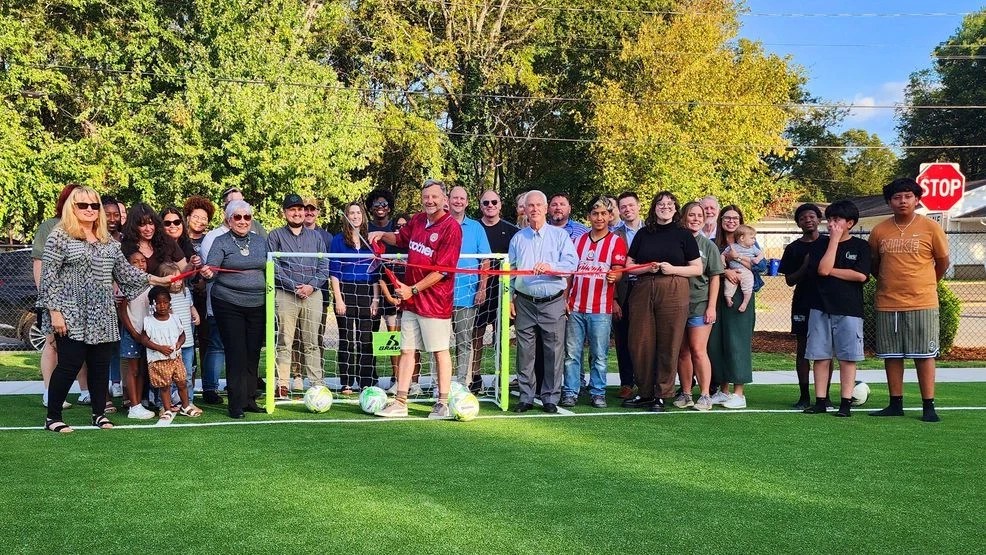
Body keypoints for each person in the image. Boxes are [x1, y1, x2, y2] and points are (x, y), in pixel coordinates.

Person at [38, 186, 172, 432]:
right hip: (70, 312)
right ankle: (53, 417)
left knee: (100, 366)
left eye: (94, 205)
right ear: (72, 208)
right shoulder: (60, 236)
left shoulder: (106, 240)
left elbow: (125, 272)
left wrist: (157, 280)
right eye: (83, 205)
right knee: (69, 364)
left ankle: (98, 414)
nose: (90, 210)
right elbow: (49, 278)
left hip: (102, 312)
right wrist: (55, 312)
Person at [370, 178, 462, 419]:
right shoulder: (418, 220)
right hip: (412, 302)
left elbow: (443, 271)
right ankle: (400, 401)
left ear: (444, 199)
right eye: (426, 197)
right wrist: (381, 234)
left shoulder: (451, 227)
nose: (429, 201)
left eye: (434, 197)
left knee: (440, 351)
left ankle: (442, 404)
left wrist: (413, 289)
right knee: (407, 349)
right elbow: (400, 239)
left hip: (435, 302)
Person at [868, 177, 949, 422]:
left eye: (907, 196)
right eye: (896, 197)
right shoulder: (879, 230)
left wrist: (927, 283)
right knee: (892, 355)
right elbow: (874, 265)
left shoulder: (930, 227)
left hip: (922, 302)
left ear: (917, 199)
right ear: (889, 202)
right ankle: (895, 403)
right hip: (887, 302)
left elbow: (943, 262)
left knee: (924, 355)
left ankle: (928, 405)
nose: (902, 201)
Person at [622, 192, 702, 412]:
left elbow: (697, 268)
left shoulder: (684, 235)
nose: (665, 207)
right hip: (643, 287)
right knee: (639, 341)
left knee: (669, 341)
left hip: (674, 287)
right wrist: (646, 267)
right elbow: (629, 265)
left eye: (669, 204)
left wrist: (672, 269)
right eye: (660, 203)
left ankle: (661, 394)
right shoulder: (643, 234)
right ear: (654, 208)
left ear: (675, 209)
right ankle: (645, 392)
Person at [507, 190, 579, 414]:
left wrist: (551, 267)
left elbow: (572, 265)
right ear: (525, 210)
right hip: (525, 302)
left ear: (546, 209)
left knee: (553, 351)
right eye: (531, 205)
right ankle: (526, 396)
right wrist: (510, 298)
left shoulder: (560, 237)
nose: (535, 209)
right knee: (525, 352)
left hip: (552, 302)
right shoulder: (518, 238)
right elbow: (510, 272)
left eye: (539, 205)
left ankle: (550, 396)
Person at [802, 200, 870, 417]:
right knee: (820, 356)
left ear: (850, 223)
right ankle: (820, 400)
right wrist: (833, 242)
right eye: (829, 219)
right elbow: (822, 270)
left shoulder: (861, 246)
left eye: (837, 220)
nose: (832, 224)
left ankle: (845, 403)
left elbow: (860, 275)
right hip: (820, 307)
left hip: (849, 309)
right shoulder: (820, 245)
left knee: (847, 357)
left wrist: (832, 270)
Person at [202, 200, 268, 419]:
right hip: (228, 303)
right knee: (236, 352)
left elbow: (270, 268)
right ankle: (236, 403)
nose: (242, 221)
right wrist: (208, 273)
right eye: (237, 217)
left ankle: (249, 399)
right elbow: (212, 267)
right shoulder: (221, 242)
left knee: (253, 352)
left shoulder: (260, 241)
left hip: (258, 303)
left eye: (246, 217)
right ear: (229, 220)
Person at [562, 197, 626, 409]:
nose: (599, 218)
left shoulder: (616, 242)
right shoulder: (578, 241)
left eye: (603, 214)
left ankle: (597, 391)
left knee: (599, 355)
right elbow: (571, 273)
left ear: (609, 216)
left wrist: (614, 277)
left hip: (601, 308)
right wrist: (565, 298)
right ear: (589, 216)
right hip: (576, 306)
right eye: (595, 214)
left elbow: (618, 271)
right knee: (572, 353)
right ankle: (570, 391)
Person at [268, 193, 331, 398]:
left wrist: (311, 287)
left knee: (312, 341)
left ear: (305, 212)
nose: (297, 213)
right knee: (285, 341)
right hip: (286, 294)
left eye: (300, 209)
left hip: (313, 294)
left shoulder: (316, 237)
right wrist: (295, 286)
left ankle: (316, 384)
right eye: (292, 209)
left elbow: (324, 266)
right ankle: (283, 384)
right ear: (285, 212)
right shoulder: (275, 235)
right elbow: (273, 267)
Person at [32, 183, 85, 409]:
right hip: (55, 299)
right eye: (76, 200)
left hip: (83, 299)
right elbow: (39, 264)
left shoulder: (88, 228)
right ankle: (50, 392)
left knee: (82, 344)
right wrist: (46, 298)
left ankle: (85, 391)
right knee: (52, 344)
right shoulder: (50, 226)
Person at [708, 205, 766, 409]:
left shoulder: (750, 241)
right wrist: (725, 272)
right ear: (720, 220)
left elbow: (761, 267)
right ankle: (723, 391)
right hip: (718, 296)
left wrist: (738, 258)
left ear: (740, 220)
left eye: (735, 218)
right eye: (727, 217)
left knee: (737, 342)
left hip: (742, 295)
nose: (731, 221)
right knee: (717, 342)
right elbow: (707, 268)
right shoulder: (714, 242)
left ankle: (739, 393)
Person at [674, 201, 724, 411]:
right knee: (682, 351)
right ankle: (686, 394)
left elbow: (715, 278)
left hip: (700, 303)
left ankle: (705, 395)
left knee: (698, 350)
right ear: (684, 217)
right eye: (691, 215)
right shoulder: (675, 242)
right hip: (677, 303)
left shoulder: (708, 246)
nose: (695, 219)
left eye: (699, 216)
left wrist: (711, 306)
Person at [779, 203, 828, 409]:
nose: (808, 220)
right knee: (803, 349)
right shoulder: (793, 248)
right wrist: (805, 266)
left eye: (812, 216)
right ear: (798, 223)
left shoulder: (829, 243)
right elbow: (789, 280)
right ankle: (804, 395)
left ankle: (823, 396)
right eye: (803, 218)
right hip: (802, 302)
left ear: (819, 219)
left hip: (826, 301)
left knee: (825, 350)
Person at [330, 201, 381, 394]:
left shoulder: (370, 240)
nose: (355, 216)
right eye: (351, 213)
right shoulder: (338, 240)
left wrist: (375, 299)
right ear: (346, 216)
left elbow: (375, 273)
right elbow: (334, 271)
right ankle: (347, 381)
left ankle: (365, 381)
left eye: (358, 212)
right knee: (347, 338)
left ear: (363, 216)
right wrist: (339, 298)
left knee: (365, 339)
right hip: (345, 290)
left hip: (366, 291)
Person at [471, 190, 518, 390]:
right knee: (476, 336)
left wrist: (513, 295)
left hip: (504, 292)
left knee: (502, 337)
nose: (490, 205)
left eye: (494, 202)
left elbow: (516, 263)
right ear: (480, 206)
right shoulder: (473, 228)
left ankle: (501, 377)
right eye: (485, 202)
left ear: (500, 205)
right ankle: (474, 378)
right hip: (477, 290)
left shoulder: (512, 230)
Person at [448, 186, 491, 390]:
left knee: (464, 342)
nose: (458, 201)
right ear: (448, 200)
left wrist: (482, 288)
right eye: (454, 197)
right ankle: (439, 384)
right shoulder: (439, 225)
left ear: (467, 202)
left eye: (462, 198)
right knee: (436, 344)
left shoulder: (476, 228)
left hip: (467, 294)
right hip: (439, 295)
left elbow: (485, 260)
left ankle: (461, 385)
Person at [141, 286, 203, 424]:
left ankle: (185, 406)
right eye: (158, 302)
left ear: (170, 303)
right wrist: (159, 348)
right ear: (152, 304)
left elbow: (182, 335)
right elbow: (144, 339)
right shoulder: (149, 321)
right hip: (159, 360)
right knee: (165, 386)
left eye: (165, 302)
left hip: (176, 358)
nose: (162, 306)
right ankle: (167, 408)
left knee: (182, 382)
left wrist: (179, 344)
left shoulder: (175, 318)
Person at [183, 195, 216, 399]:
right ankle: (186, 386)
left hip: (204, 296)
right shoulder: (179, 238)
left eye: (204, 218)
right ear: (188, 217)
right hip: (181, 296)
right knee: (185, 341)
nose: (200, 221)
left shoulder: (210, 240)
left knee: (206, 340)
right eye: (196, 216)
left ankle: (208, 387)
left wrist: (204, 282)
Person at [117, 251, 156, 420]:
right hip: (132, 333)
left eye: (143, 261)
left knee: (141, 370)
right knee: (132, 370)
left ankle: (139, 402)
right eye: (135, 262)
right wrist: (133, 332)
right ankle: (133, 404)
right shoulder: (127, 285)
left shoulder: (151, 284)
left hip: (147, 334)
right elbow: (122, 310)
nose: (141, 264)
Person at [613, 191, 644, 399]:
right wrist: (614, 298)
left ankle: (646, 382)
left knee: (645, 338)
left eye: (631, 205)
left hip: (646, 289)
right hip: (623, 290)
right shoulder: (614, 235)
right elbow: (611, 268)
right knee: (623, 338)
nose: (627, 209)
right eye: (623, 207)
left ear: (639, 206)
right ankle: (626, 382)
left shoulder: (652, 230)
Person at [302, 196, 334, 365]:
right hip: (296, 291)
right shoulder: (294, 233)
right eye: (305, 209)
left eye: (312, 209)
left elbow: (328, 268)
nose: (308, 212)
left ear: (317, 212)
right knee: (296, 338)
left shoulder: (327, 237)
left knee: (316, 337)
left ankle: (317, 374)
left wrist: (313, 286)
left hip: (319, 294)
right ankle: (297, 375)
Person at [121, 203, 188, 276]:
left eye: (150, 223)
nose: (148, 229)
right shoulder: (125, 247)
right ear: (134, 226)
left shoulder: (167, 241)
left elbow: (184, 270)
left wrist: (192, 265)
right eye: (142, 225)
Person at [721, 224, 764, 313]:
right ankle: (728, 298)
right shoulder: (733, 246)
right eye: (752, 238)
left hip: (746, 271)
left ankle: (745, 302)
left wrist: (757, 259)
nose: (754, 240)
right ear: (742, 238)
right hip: (732, 271)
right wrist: (723, 262)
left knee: (748, 284)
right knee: (728, 284)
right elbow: (723, 254)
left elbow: (761, 255)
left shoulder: (753, 248)